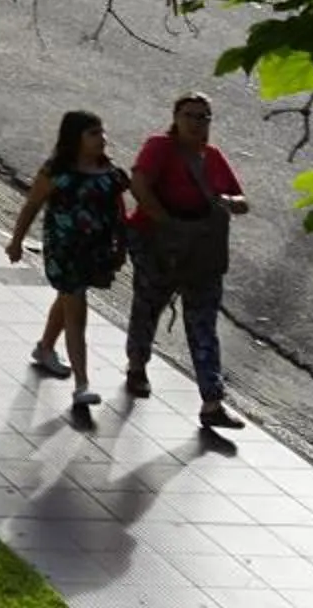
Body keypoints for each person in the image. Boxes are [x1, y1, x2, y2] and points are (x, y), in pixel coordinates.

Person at [124, 91, 250, 430]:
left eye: (204, 117)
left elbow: (241, 200)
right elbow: (139, 184)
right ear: (176, 118)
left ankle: (212, 401)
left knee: (203, 324)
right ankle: (137, 366)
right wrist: (166, 224)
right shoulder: (159, 148)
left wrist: (228, 201)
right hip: (158, 246)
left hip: (201, 252)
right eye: (191, 115)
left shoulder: (213, 157)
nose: (197, 123)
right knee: (148, 306)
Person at [6, 109, 130, 409]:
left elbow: (119, 214)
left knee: (67, 299)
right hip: (65, 252)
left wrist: (121, 248)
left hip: (96, 252)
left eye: (102, 132)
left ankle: (45, 348)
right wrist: (17, 241)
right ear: (75, 138)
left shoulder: (109, 172)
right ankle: (82, 384)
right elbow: (32, 205)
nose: (102, 139)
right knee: (76, 311)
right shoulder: (56, 171)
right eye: (93, 133)